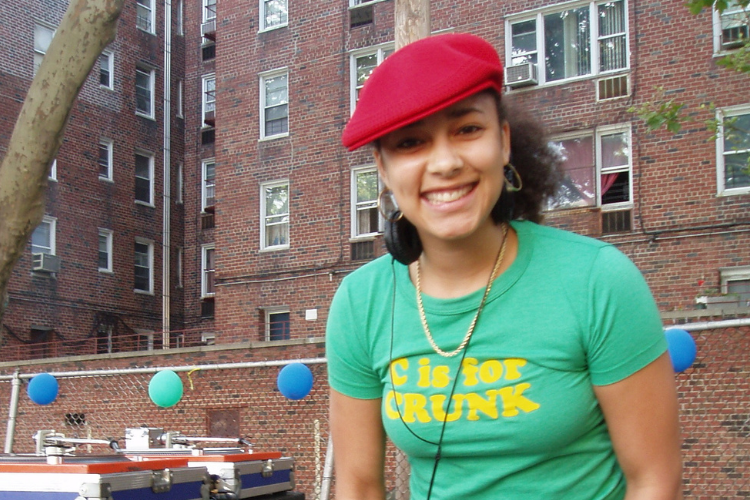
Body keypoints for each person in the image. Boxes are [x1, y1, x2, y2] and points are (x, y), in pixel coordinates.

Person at [326, 33, 682, 500]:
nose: (446, 162)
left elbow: (655, 480)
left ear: (504, 141)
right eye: (412, 143)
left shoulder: (597, 280)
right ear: (384, 169)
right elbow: (358, 485)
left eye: (467, 130)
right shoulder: (360, 302)